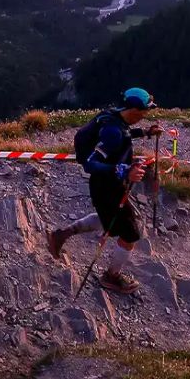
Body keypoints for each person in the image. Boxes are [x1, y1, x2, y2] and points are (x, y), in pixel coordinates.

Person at [47, 87, 163, 294]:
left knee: (108, 218)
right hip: (107, 186)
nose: (146, 115)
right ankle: (111, 277)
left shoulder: (115, 118)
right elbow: (90, 164)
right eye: (144, 111)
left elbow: (124, 134)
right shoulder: (112, 132)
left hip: (107, 185)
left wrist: (145, 132)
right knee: (130, 235)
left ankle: (61, 235)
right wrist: (124, 171)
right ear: (134, 109)